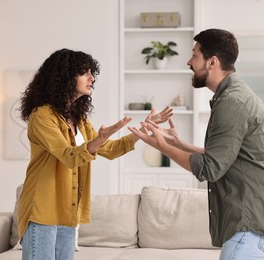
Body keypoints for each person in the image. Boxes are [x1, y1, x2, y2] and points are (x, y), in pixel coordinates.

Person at [128, 28, 264, 260]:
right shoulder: (235, 96)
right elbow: (229, 155)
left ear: (212, 62)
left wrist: (161, 146)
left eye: (194, 54)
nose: (189, 61)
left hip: (249, 218)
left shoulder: (232, 102)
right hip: (253, 219)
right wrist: (178, 143)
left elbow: (210, 168)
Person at [17, 48, 172, 260]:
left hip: (68, 212)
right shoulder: (42, 116)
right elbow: (69, 156)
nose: (91, 78)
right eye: (84, 72)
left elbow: (110, 149)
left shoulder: (78, 119)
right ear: (65, 76)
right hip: (42, 210)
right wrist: (98, 139)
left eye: (92, 73)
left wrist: (145, 129)